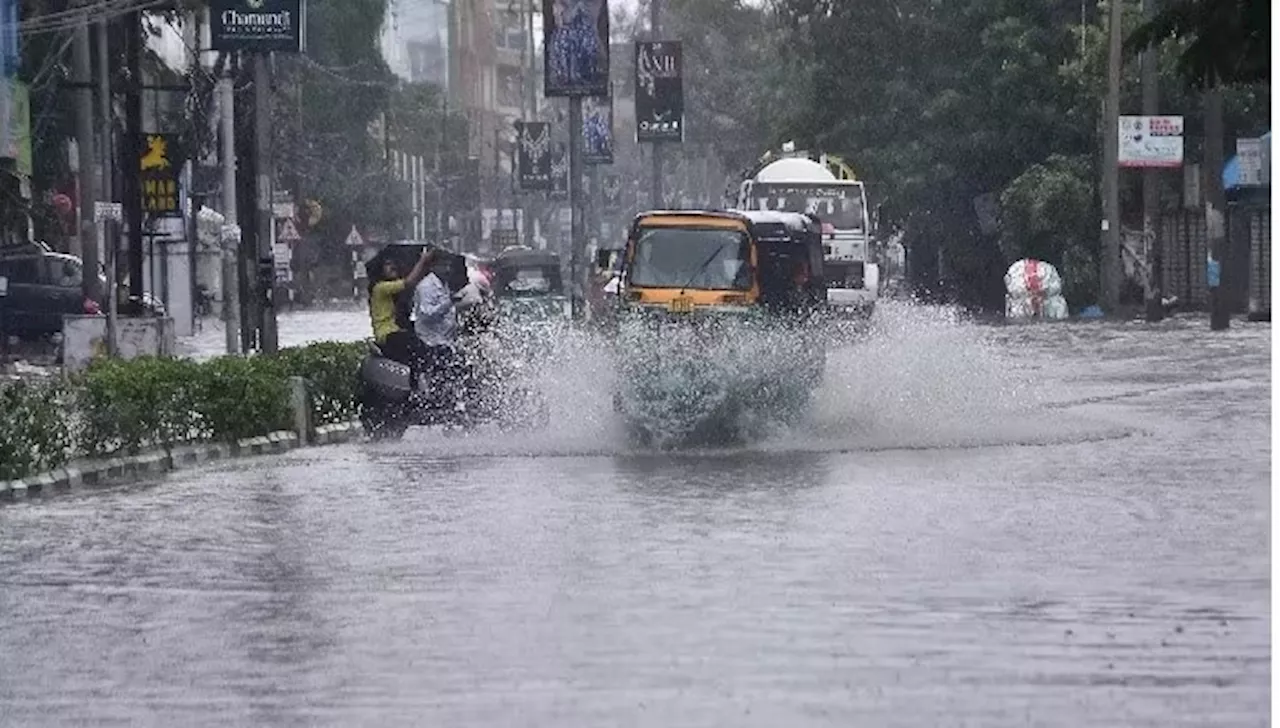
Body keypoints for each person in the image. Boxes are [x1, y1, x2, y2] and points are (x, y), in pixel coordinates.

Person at [368, 247, 434, 384]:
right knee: (419, 350)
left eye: (393, 263)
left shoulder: (390, 291)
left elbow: (412, 282)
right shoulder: (380, 288)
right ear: (380, 269)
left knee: (423, 351)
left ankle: (419, 384)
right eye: (387, 264)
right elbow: (408, 282)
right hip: (388, 335)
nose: (392, 266)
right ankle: (416, 388)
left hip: (394, 332)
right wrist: (422, 261)